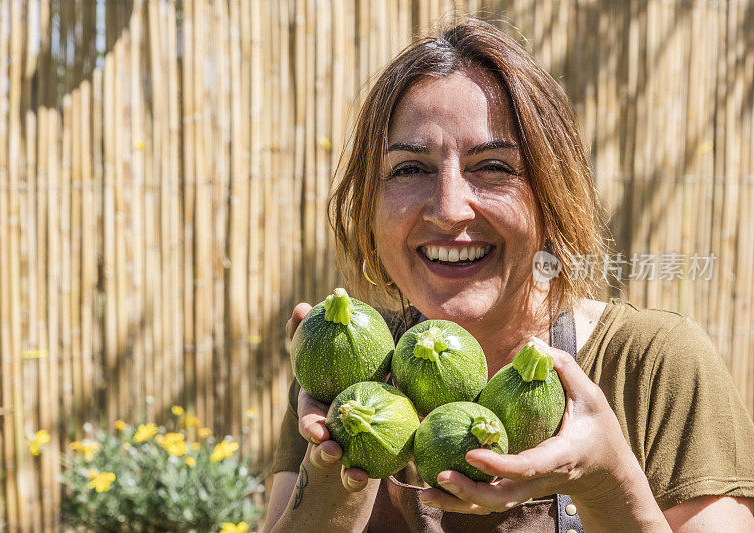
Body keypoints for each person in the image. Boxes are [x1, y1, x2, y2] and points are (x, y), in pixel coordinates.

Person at [261, 18, 754, 532]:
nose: (449, 209)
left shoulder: (653, 365)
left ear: (549, 195)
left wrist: (606, 480)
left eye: (493, 166)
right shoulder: (342, 375)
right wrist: (334, 466)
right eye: (409, 169)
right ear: (368, 207)